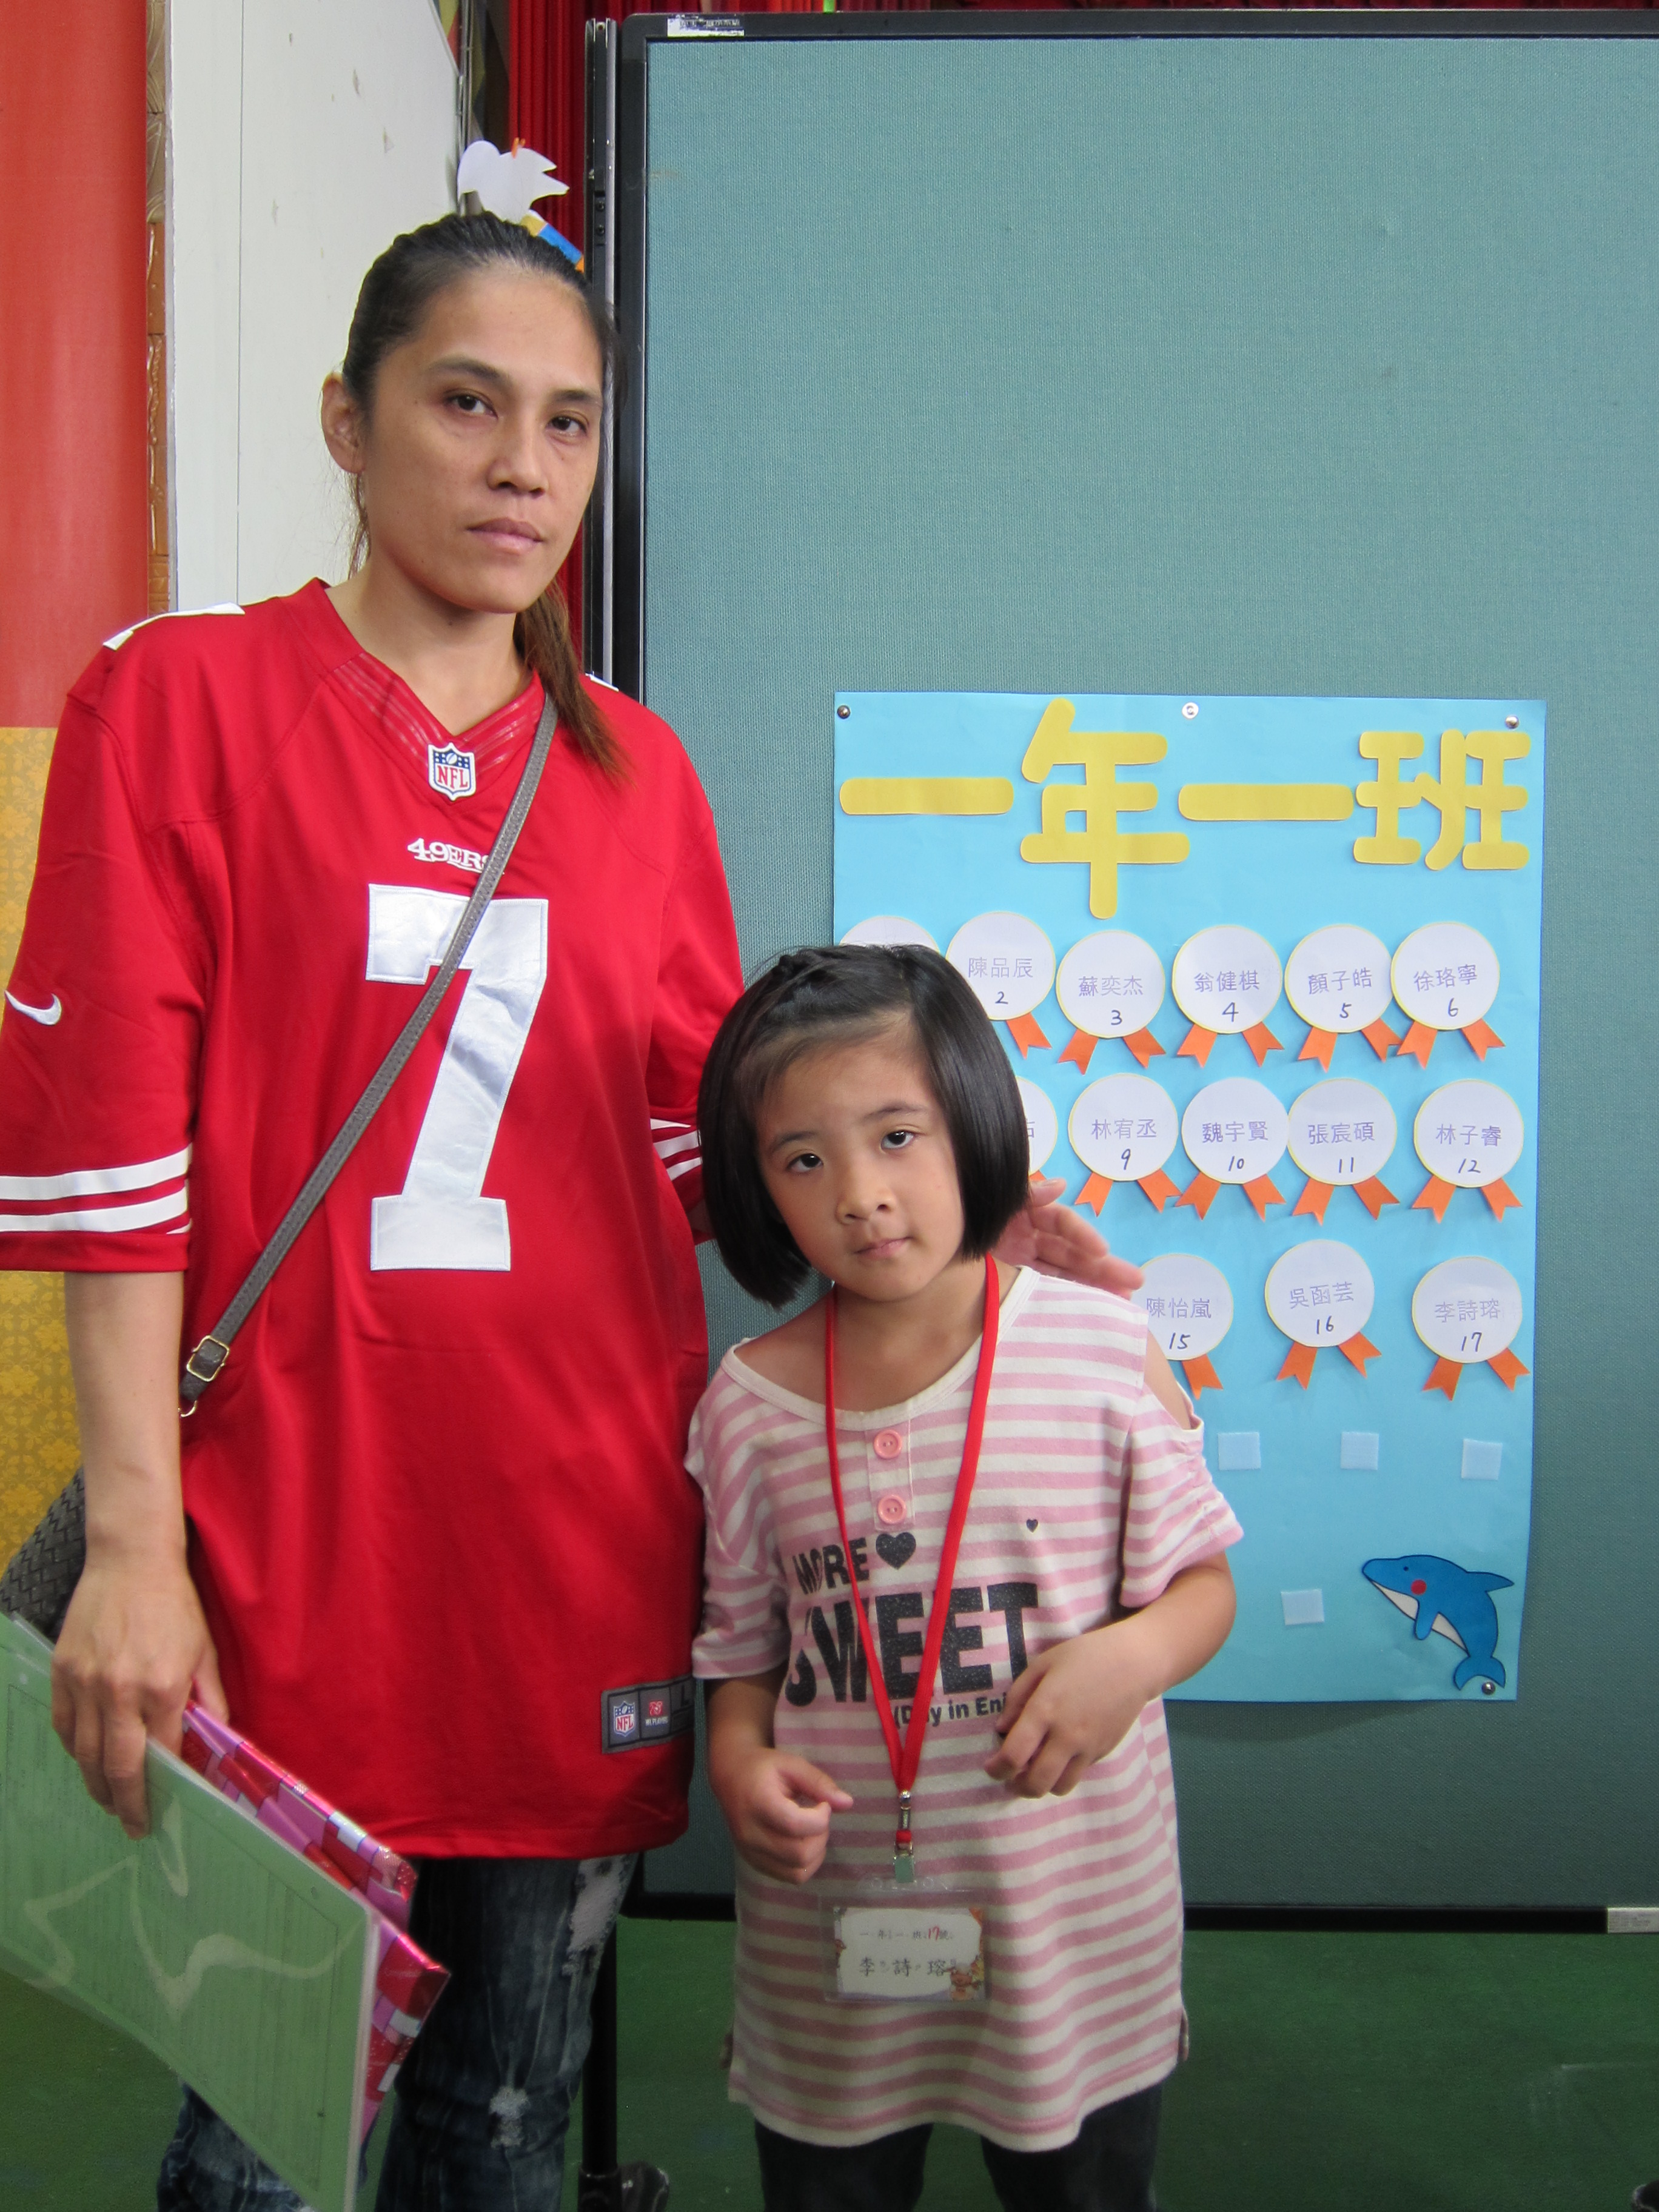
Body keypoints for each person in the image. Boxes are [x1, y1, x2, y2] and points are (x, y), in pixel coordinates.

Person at [0, 218, 1138, 2208]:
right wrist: (137, 1545)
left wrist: (962, 1220)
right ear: (347, 421)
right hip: (284, 1536)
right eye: (466, 404)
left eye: (568, 423)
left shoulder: (636, 773)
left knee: (508, 2120)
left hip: (576, 1540)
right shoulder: (175, 702)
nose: (523, 467)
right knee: (260, 2133)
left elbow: (730, 1145)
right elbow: (119, 1169)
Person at [689, 943, 1242, 2212]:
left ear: (973, 1123)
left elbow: (1205, 1589)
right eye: (803, 1160)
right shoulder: (747, 1405)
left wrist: (1129, 1661)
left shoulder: (1101, 1346)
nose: (861, 1197)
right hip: (831, 1941)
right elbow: (742, 1653)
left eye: (898, 1136)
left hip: (1072, 1934)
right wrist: (736, 1761)